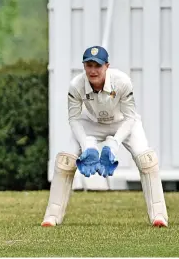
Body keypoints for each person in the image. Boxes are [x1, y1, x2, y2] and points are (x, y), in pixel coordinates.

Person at [41, 46, 168, 228]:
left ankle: (159, 216)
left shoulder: (122, 81)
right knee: (65, 161)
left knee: (147, 160)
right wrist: (87, 146)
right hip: (91, 122)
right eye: (89, 65)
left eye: (97, 66)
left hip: (123, 121)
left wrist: (113, 144)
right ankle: (52, 217)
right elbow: (74, 119)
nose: (93, 71)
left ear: (107, 66)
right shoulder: (76, 85)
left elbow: (131, 117)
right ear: (84, 66)